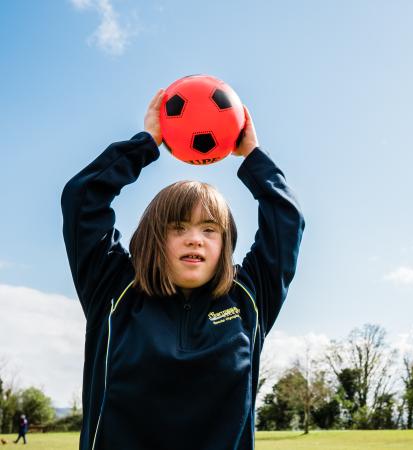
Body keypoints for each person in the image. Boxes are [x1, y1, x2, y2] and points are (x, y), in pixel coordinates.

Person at [61, 89, 305, 450]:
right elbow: (83, 199)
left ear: (225, 244)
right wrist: (146, 144)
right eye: (178, 228)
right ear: (153, 238)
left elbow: (287, 221)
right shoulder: (113, 290)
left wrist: (253, 156)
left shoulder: (249, 298)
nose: (195, 239)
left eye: (209, 229)